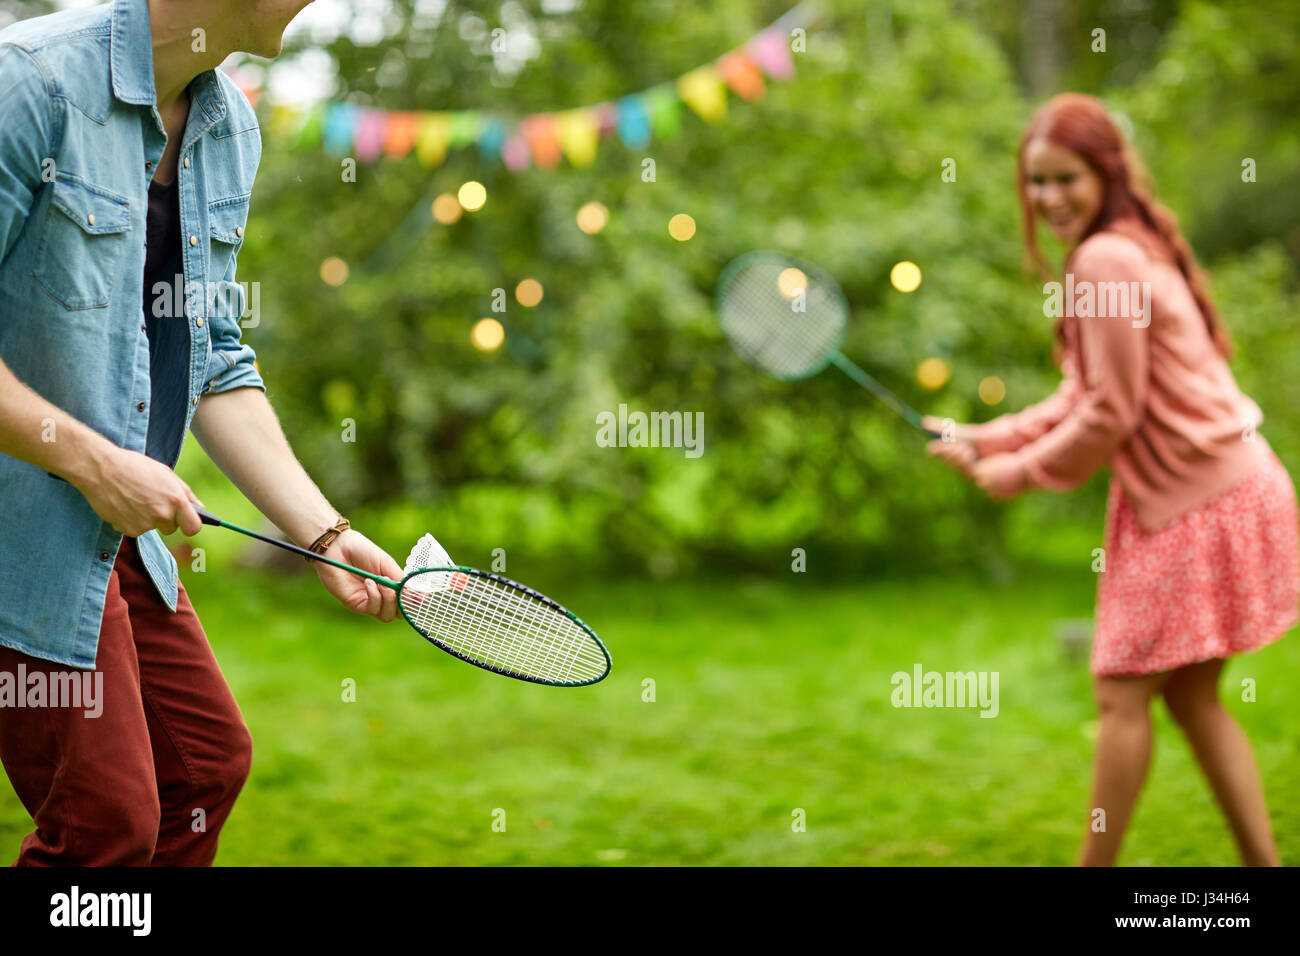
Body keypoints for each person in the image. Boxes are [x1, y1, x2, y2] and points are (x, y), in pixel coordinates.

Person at [0, 0, 404, 865]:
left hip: (108, 532)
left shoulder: (228, 128)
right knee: (105, 828)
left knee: (203, 771)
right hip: (18, 533)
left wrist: (323, 532)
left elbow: (214, 355)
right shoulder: (27, 82)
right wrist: (96, 463)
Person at [925, 93, 1298, 866]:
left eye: (1067, 178)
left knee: (1122, 694)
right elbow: (1083, 394)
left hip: (1200, 504)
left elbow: (1111, 413)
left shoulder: (1103, 259)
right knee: (1193, 700)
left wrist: (1016, 475)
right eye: (1036, 183)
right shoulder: (1123, 248)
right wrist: (982, 435)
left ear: (1106, 172)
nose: (1050, 197)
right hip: (1234, 485)